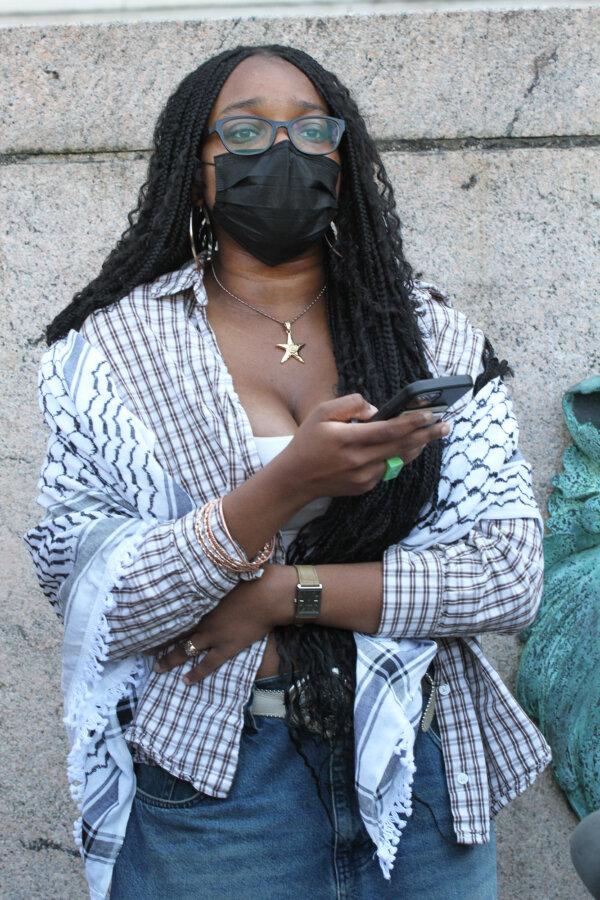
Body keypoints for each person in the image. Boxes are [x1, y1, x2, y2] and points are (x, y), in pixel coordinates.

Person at [23, 44, 551, 900]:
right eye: (246, 130)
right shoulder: (110, 352)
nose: (285, 151)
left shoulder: (429, 332)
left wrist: (282, 593)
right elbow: (91, 589)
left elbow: (506, 578)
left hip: (416, 765)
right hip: (217, 786)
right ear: (194, 169)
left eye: (313, 131)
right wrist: (283, 486)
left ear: (342, 165)